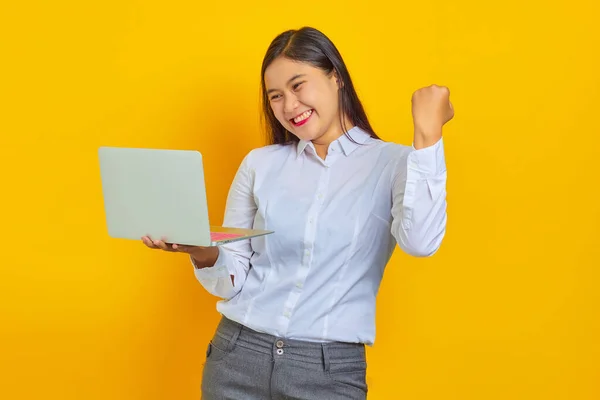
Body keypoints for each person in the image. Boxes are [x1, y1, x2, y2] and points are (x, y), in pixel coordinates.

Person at [142, 26, 453, 400]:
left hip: (328, 372)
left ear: (335, 77)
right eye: (275, 96)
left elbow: (420, 242)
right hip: (237, 357)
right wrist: (200, 251)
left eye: (298, 85)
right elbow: (234, 279)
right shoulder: (260, 164)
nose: (289, 106)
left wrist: (427, 135)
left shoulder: (396, 164)